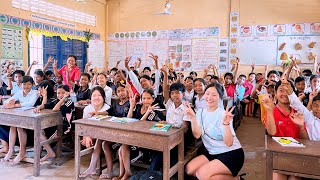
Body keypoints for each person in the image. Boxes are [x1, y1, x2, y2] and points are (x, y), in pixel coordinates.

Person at [185, 83, 245, 180]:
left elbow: (229, 143)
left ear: (219, 97)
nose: (209, 97)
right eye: (207, 93)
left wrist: (226, 124)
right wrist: (193, 118)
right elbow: (197, 135)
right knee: (190, 170)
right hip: (212, 152)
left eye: (214, 95)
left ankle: (237, 179)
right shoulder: (200, 112)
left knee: (202, 175)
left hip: (231, 154)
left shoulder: (223, 114)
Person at [1, 76, 38, 164]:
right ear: (21, 85)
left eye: (29, 84)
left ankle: (22, 152)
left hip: (31, 118)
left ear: (32, 85)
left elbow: (30, 103)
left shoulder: (35, 92)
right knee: (13, 125)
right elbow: (7, 101)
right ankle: (11, 150)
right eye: (24, 84)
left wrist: (16, 105)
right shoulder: (19, 92)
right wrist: (10, 102)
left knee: (18, 126)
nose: (26, 86)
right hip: (21, 115)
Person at [79, 86, 114, 179]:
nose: (96, 98)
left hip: (106, 134)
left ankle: (92, 167)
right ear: (90, 98)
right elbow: (84, 125)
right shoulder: (87, 109)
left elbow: (106, 129)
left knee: (99, 140)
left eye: (99, 95)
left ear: (103, 97)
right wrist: (86, 136)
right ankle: (93, 168)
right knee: (89, 140)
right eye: (94, 95)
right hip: (92, 134)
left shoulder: (107, 109)